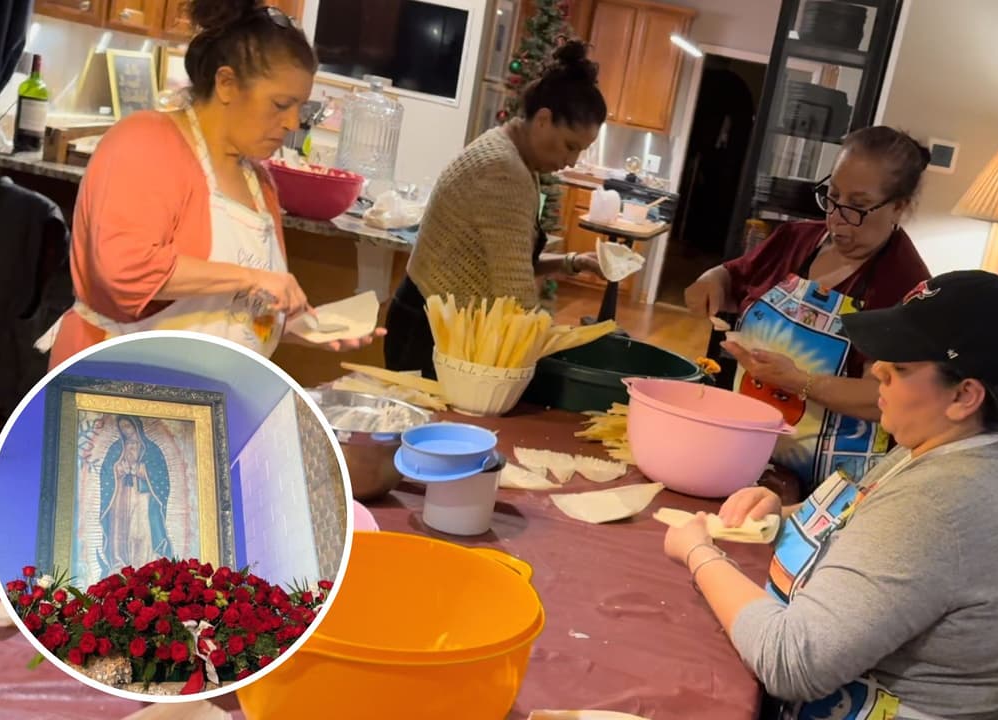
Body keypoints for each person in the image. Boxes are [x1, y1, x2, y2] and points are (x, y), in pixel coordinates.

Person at [665, 270, 998, 719]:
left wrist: (700, 554)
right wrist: (785, 515)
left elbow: (792, 661)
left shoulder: (939, 503)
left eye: (899, 368)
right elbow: (863, 527)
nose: (877, 370)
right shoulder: (951, 451)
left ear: (964, 396)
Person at [40, 0, 381, 369]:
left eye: (300, 107)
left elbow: (231, 312)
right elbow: (123, 272)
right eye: (282, 104)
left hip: (204, 396)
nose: (293, 123)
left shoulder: (258, 180)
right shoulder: (146, 143)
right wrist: (254, 279)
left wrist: (308, 327)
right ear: (226, 83)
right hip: (114, 381)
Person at [684, 127, 933, 495]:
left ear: (899, 206)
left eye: (859, 207)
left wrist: (799, 382)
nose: (837, 218)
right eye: (832, 197)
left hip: (825, 488)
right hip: (746, 452)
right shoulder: (795, 239)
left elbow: (885, 398)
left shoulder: (906, 286)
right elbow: (733, 277)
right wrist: (710, 280)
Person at [384, 41, 609, 377]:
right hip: (427, 333)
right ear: (544, 120)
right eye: (570, 146)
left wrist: (571, 263)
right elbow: (514, 293)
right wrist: (559, 356)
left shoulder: (512, 154)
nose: (571, 160)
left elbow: (505, 261)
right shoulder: (503, 170)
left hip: (431, 320)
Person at [99, 416, 172, 577]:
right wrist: (118, 469)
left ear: (136, 426)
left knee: (140, 528)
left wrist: (140, 470)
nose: (126, 430)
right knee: (120, 527)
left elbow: (161, 475)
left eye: (128, 426)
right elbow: (105, 472)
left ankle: (144, 562)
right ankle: (120, 563)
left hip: (142, 496)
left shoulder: (151, 449)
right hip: (121, 495)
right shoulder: (116, 448)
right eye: (122, 427)